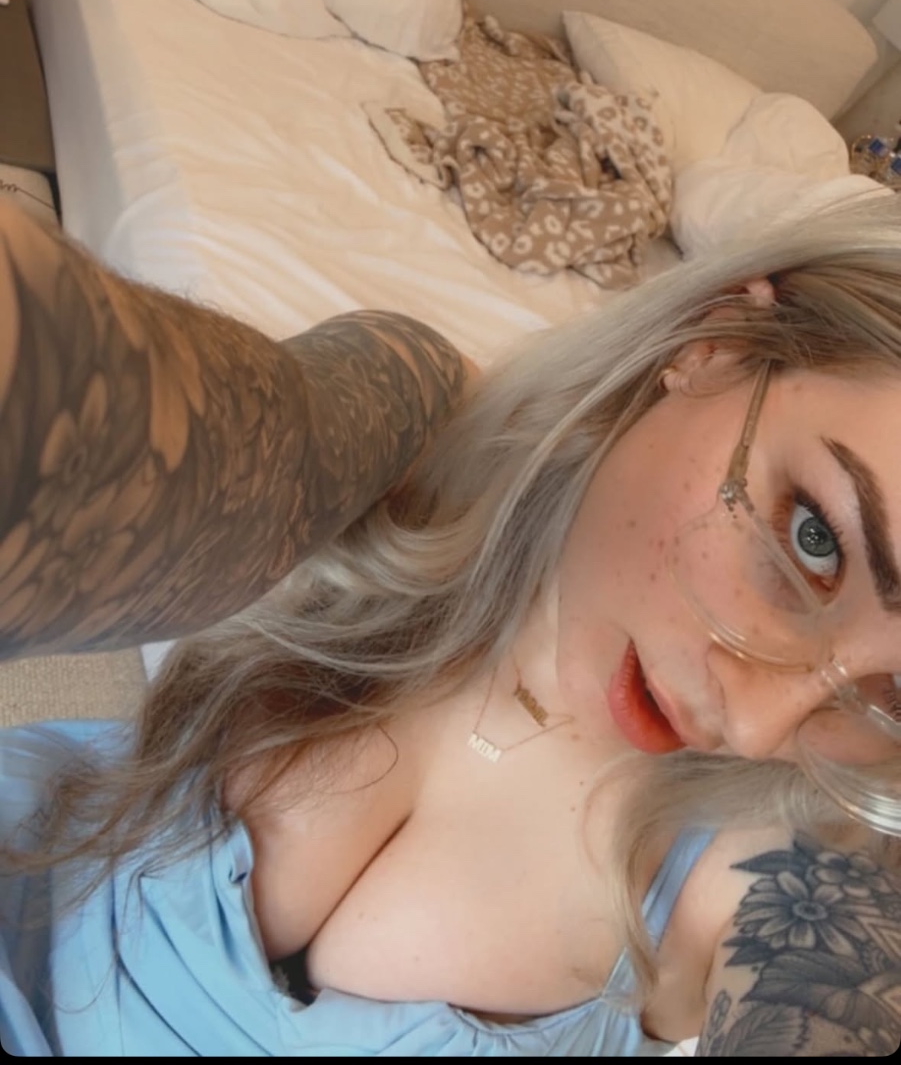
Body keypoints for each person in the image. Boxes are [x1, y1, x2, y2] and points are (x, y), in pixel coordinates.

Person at [2, 192, 901, 1056]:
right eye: (813, 538)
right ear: (718, 345)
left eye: (895, 690)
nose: (757, 728)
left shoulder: (782, 877)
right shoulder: (417, 419)